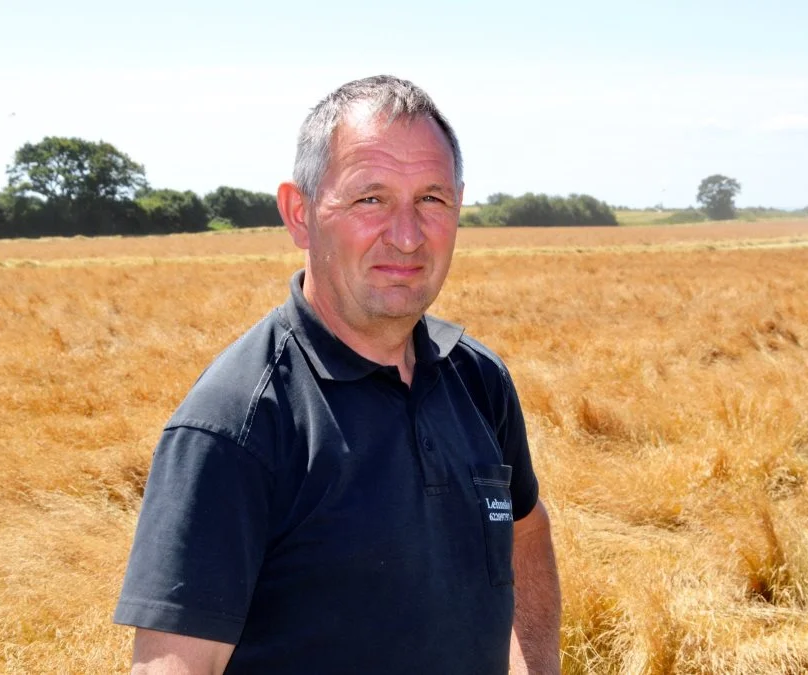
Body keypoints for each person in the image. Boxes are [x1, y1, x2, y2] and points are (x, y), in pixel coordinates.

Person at [113, 75, 561, 674]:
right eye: (369, 199)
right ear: (300, 214)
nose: (406, 236)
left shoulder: (478, 381)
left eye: (431, 199)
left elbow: (525, 530)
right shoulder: (237, 426)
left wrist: (536, 665)